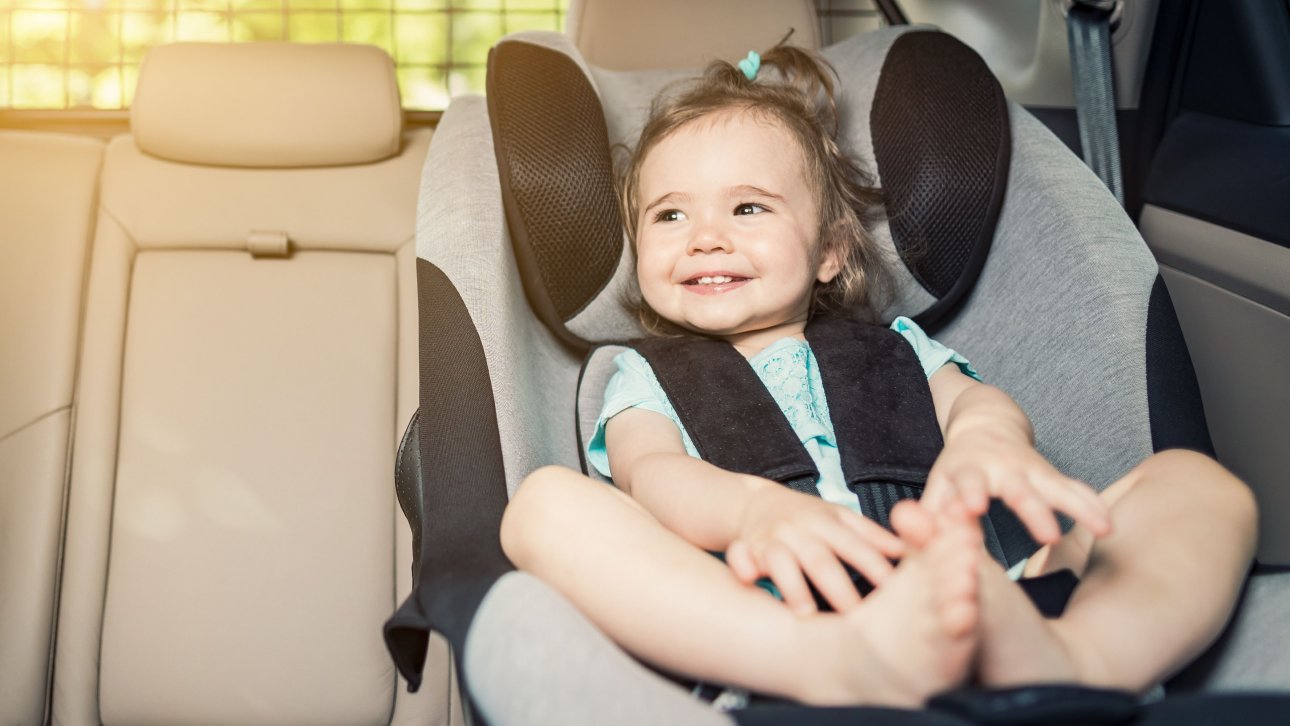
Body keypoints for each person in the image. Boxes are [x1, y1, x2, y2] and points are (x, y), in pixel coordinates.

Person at [498, 43, 1258, 709]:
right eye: (668, 217)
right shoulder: (643, 374)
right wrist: (751, 515)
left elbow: (974, 403)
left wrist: (988, 445)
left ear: (830, 251)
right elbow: (651, 473)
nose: (703, 238)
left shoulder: (897, 347)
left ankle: (1077, 660)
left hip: (975, 591)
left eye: (748, 208)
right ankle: (838, 666)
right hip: (770, 616)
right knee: (542, 506)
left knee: (1197, 484)